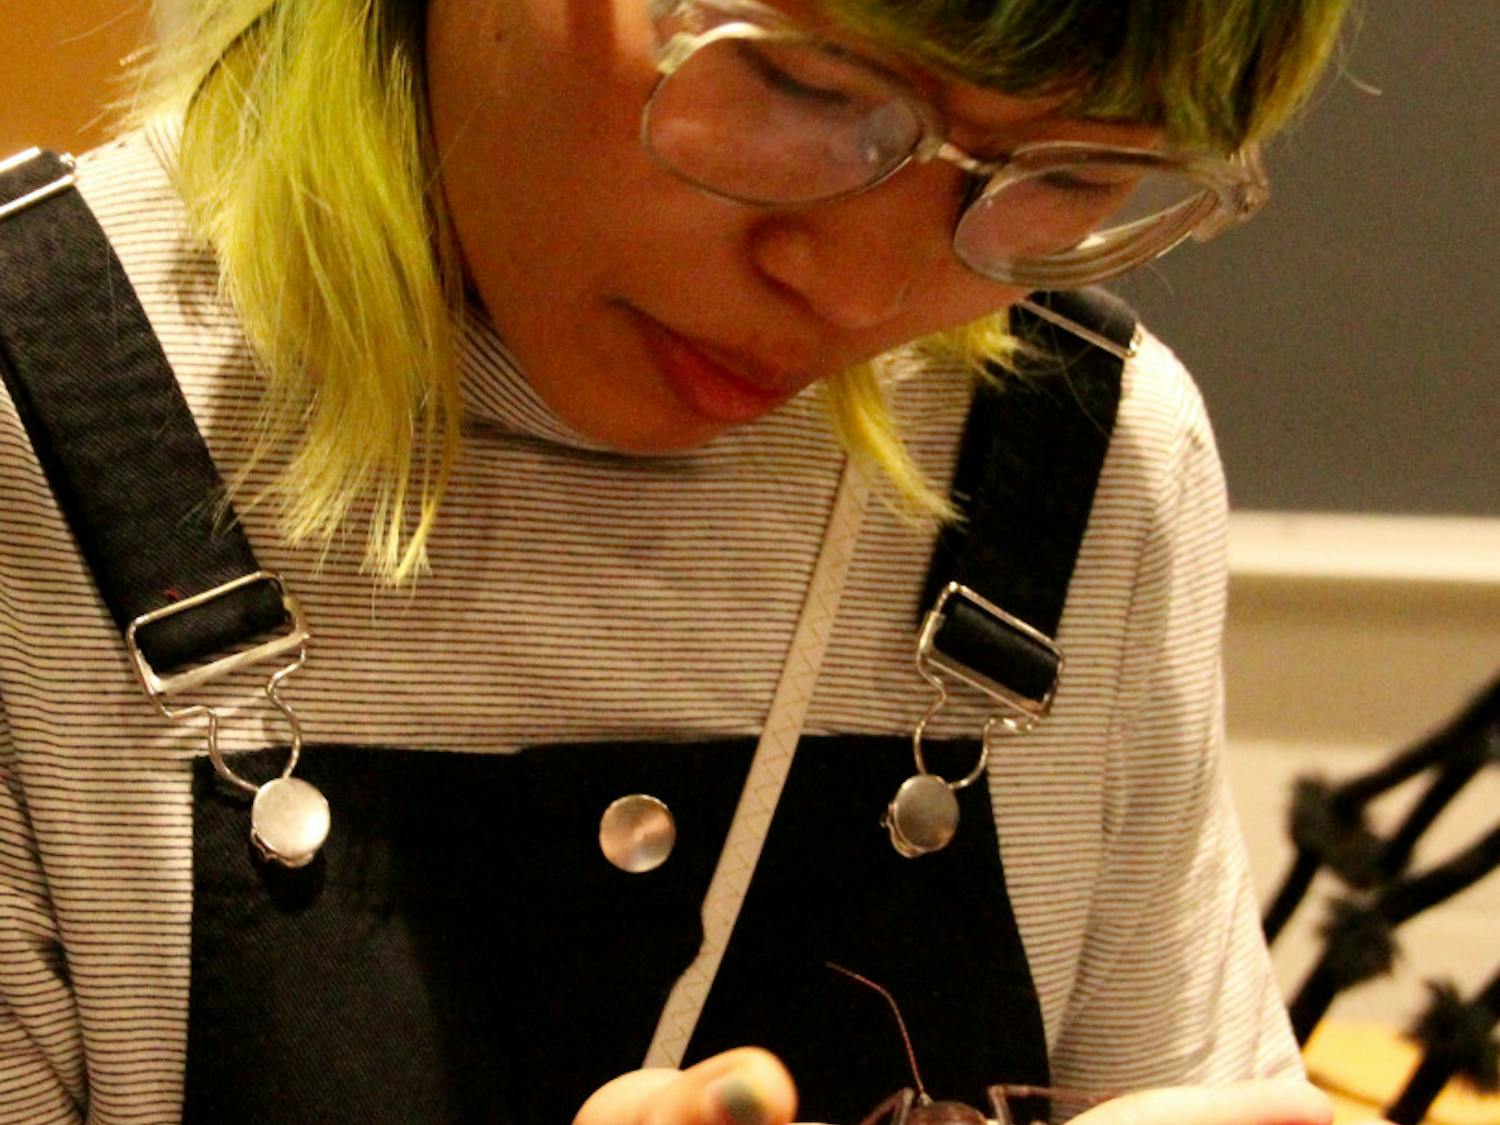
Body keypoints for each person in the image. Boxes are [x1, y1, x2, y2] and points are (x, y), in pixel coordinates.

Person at [0, 0, 1355, 1122]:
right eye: (800, 89)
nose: (862, 294)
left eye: (1067, 178)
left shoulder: (1085, 451)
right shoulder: (33, 429)